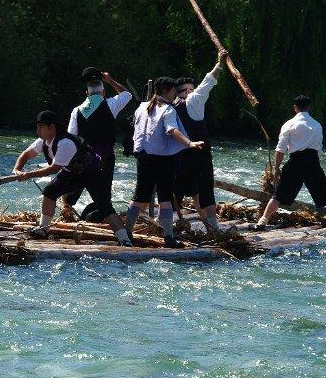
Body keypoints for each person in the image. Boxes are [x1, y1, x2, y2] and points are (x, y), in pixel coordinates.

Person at [12, 110, 133, 246]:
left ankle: (125, 240)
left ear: (51, 127)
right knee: (49, 192)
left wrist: (27, 175)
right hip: (72, 173)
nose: (37, 130)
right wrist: (17, 169)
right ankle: (43, 229)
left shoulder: (65, 143)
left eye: (40, 126)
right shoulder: (43, 142)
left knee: (105, 207)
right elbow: (26, 155)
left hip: (93, 173)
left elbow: (53, 169)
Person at [124, 78, 205, 248]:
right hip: (163, 160)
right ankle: (168, 237)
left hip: (143, 158)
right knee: (165, 198)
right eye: (174, 91)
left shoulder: (141, 107)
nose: (175, 94)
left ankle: (127, 234)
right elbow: (171, 130)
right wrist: (189, 143)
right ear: (166, 91)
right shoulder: (167, 109)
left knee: (139, 197)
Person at [253, 95, 326, 234]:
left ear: (295, 107)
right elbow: (318, 148)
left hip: (295, 162)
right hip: (312, 162)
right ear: (309, 107)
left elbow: (280, 149)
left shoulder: (289, 124)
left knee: (278, 195)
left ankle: (262, 222)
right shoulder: (317, 125)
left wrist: (276, 168)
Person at [64, 67, 133, 221]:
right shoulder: (111, 104)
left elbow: (71, 138)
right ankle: (92, 218)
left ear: (87, 93)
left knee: (71, 193)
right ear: (103, 92)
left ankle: (66, 216)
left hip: (83, 159)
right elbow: (127, 94)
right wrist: (110, 80)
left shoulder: (77, 111)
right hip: (105, 158)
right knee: (103, 197)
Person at [173, 49, 228, 231]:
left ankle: (169, 226)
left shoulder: (168, 106)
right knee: (204, 191)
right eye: (188, 89)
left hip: (178, 155)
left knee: (177, 192)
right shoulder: (193, 101)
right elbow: (209, 82)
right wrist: (220, 63)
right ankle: (212, 227)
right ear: (184, 92)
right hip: (199, 154)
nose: (190, 92)